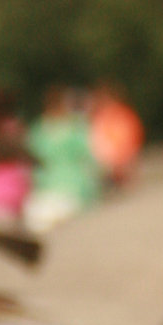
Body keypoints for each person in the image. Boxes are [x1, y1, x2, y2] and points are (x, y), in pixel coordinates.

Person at [24, 87, 103, 232]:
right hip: (58, 186)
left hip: (65, 186)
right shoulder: (75, 128)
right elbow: (93, 158)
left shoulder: (41, 130)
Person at [88, 83, 144, 187]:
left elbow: (129, 141)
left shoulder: (122, 116)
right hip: (104, 165)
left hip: (118, 164)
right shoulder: (99, 117)